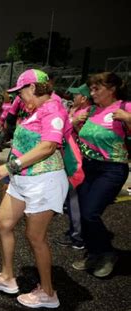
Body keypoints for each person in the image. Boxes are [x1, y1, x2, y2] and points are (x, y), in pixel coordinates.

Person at [0, 69, 69, 309]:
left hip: (44, 181)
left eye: (21, 91)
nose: (19, 96)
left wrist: (9, 167)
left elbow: (48, 146)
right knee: (3, 222)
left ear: (33, 88)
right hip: (25, 180)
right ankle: (8, 278)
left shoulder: (53, 108)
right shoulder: (37, 110)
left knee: (35, 237)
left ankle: (48, 293)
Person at [73, 72, 130, 278]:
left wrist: (129, 119)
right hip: (88, 167)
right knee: (81, 213)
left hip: (112, 169)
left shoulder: (125, 107)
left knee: (90, 212)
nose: (92, 92)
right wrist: (76, 122)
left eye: (97, 88)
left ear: (112, 89)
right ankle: (94, 253)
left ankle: (107, 253)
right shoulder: (91, 110)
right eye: (91, 88)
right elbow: (80, 136)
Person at [55, 84, 91, 250]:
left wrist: (72, 121)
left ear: (83, 98)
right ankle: (75, 232)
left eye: (77, 95)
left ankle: (78, 236)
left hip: (78, 160)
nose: (73, 97)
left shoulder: (86, 113)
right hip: (73, 158)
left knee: (75, 199)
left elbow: (76, 132)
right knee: (73, 199)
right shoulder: (76, 111)